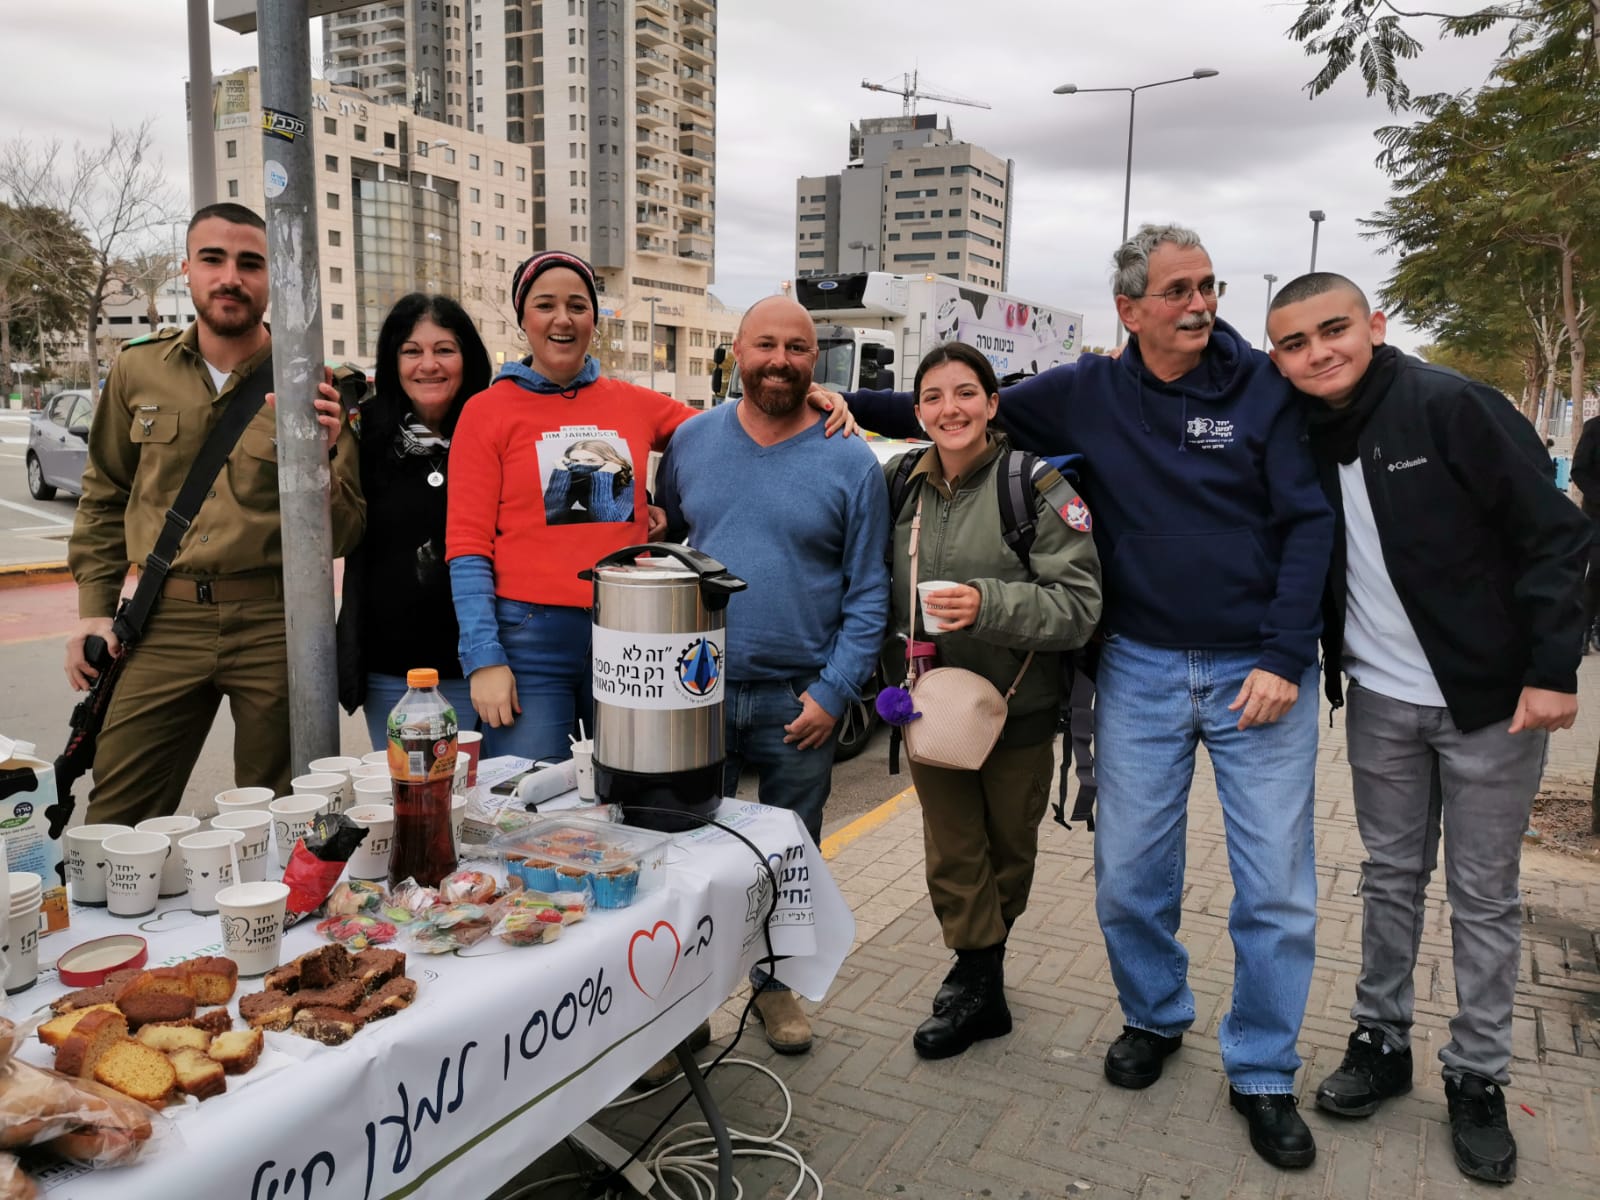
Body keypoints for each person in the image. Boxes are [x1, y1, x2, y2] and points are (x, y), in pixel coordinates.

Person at [819, 223, 1334, 1169]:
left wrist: (1285, 654)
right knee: (1130, 876)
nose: (1200, 305)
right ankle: (1155, 1015)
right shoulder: (1088, 391)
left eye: (1208, 286)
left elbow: (1309, 522)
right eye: (1178, 291)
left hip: (1256, 674)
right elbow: (959, 404)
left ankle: (1263, 1070)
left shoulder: (1264, 387)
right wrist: (833, 396)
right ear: (1129, 310)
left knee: (1276, 891)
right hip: (1138, 665)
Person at [1265, 272, 1588, 1185]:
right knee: (1389, 878)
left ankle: (1477, 1076)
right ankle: (1381, 1041)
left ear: (1374, 325)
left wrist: (1553, 670)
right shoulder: (1302, 431)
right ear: (1278, 359)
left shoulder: (1450, 405)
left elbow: (1556, 537)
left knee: (1483, 895)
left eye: (1334, 330)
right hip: (1379, 700)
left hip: (1492, 703)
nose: (1318, 352)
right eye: (1294, 343)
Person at [65, 202, 363, 823]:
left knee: (286, 816)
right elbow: (105, 495)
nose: (231, 277)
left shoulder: (315, 381)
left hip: (277, 621)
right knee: (117, 817)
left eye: (250, 263)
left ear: (272, 277)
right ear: (187, 270)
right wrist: (94, 611)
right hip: (164, 619)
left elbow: (348, 531)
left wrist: (324, 458)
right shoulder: (138, 369)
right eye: (213, 259)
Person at [656, 295, 890, 1056]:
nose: (780, 361)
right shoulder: (691, 442)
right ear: (737, 350)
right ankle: (685, 1003)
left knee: (790, 862)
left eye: (796, 348)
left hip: (799, 701)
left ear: (814, 361)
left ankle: (774, 984)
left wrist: (834, 692)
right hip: (698, 692)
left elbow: (869, 592)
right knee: (689, 857)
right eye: (765, 345)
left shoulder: (850, 460)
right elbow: (664, 545)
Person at [884, 342, 1101, 1059]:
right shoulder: (899, 485)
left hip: (1017, 709)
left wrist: (987, 604)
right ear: (918, 412)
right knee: (953, 849)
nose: (951, 409)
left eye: (965, 393)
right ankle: (977, 980)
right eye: (934, 397)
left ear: (992, 403)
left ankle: (982, 974)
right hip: (930, 709)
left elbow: (1079, 606)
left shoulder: (1033, 487)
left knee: (1009, 851)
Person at [445, 251, 698, 763]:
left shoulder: (633, 402)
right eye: (546, 305)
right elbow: (468, 545)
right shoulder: (486, 411)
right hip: (529, 641)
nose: (563, 319)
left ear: (593, 320)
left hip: (628, 627)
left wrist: (820, 402)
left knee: (630, 782)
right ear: (523, 318)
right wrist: (483, 658)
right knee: (531, 792)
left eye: (577, 306)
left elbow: (726, 435)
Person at [336, 293, 491, 748]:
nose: (428, 365)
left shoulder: (494, 429)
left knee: (485, 785)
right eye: (411, 351)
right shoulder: (361, 433)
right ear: (393, 361)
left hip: (484, 664)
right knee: (409, 785)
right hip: (392, 668)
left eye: (444, 349)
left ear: (467, 358)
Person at [1568, 412, 1600, 652]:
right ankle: (1584, 628)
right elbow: (1578, 470)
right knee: (1597, 570)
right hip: (1597, 515)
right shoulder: (1594, 428)